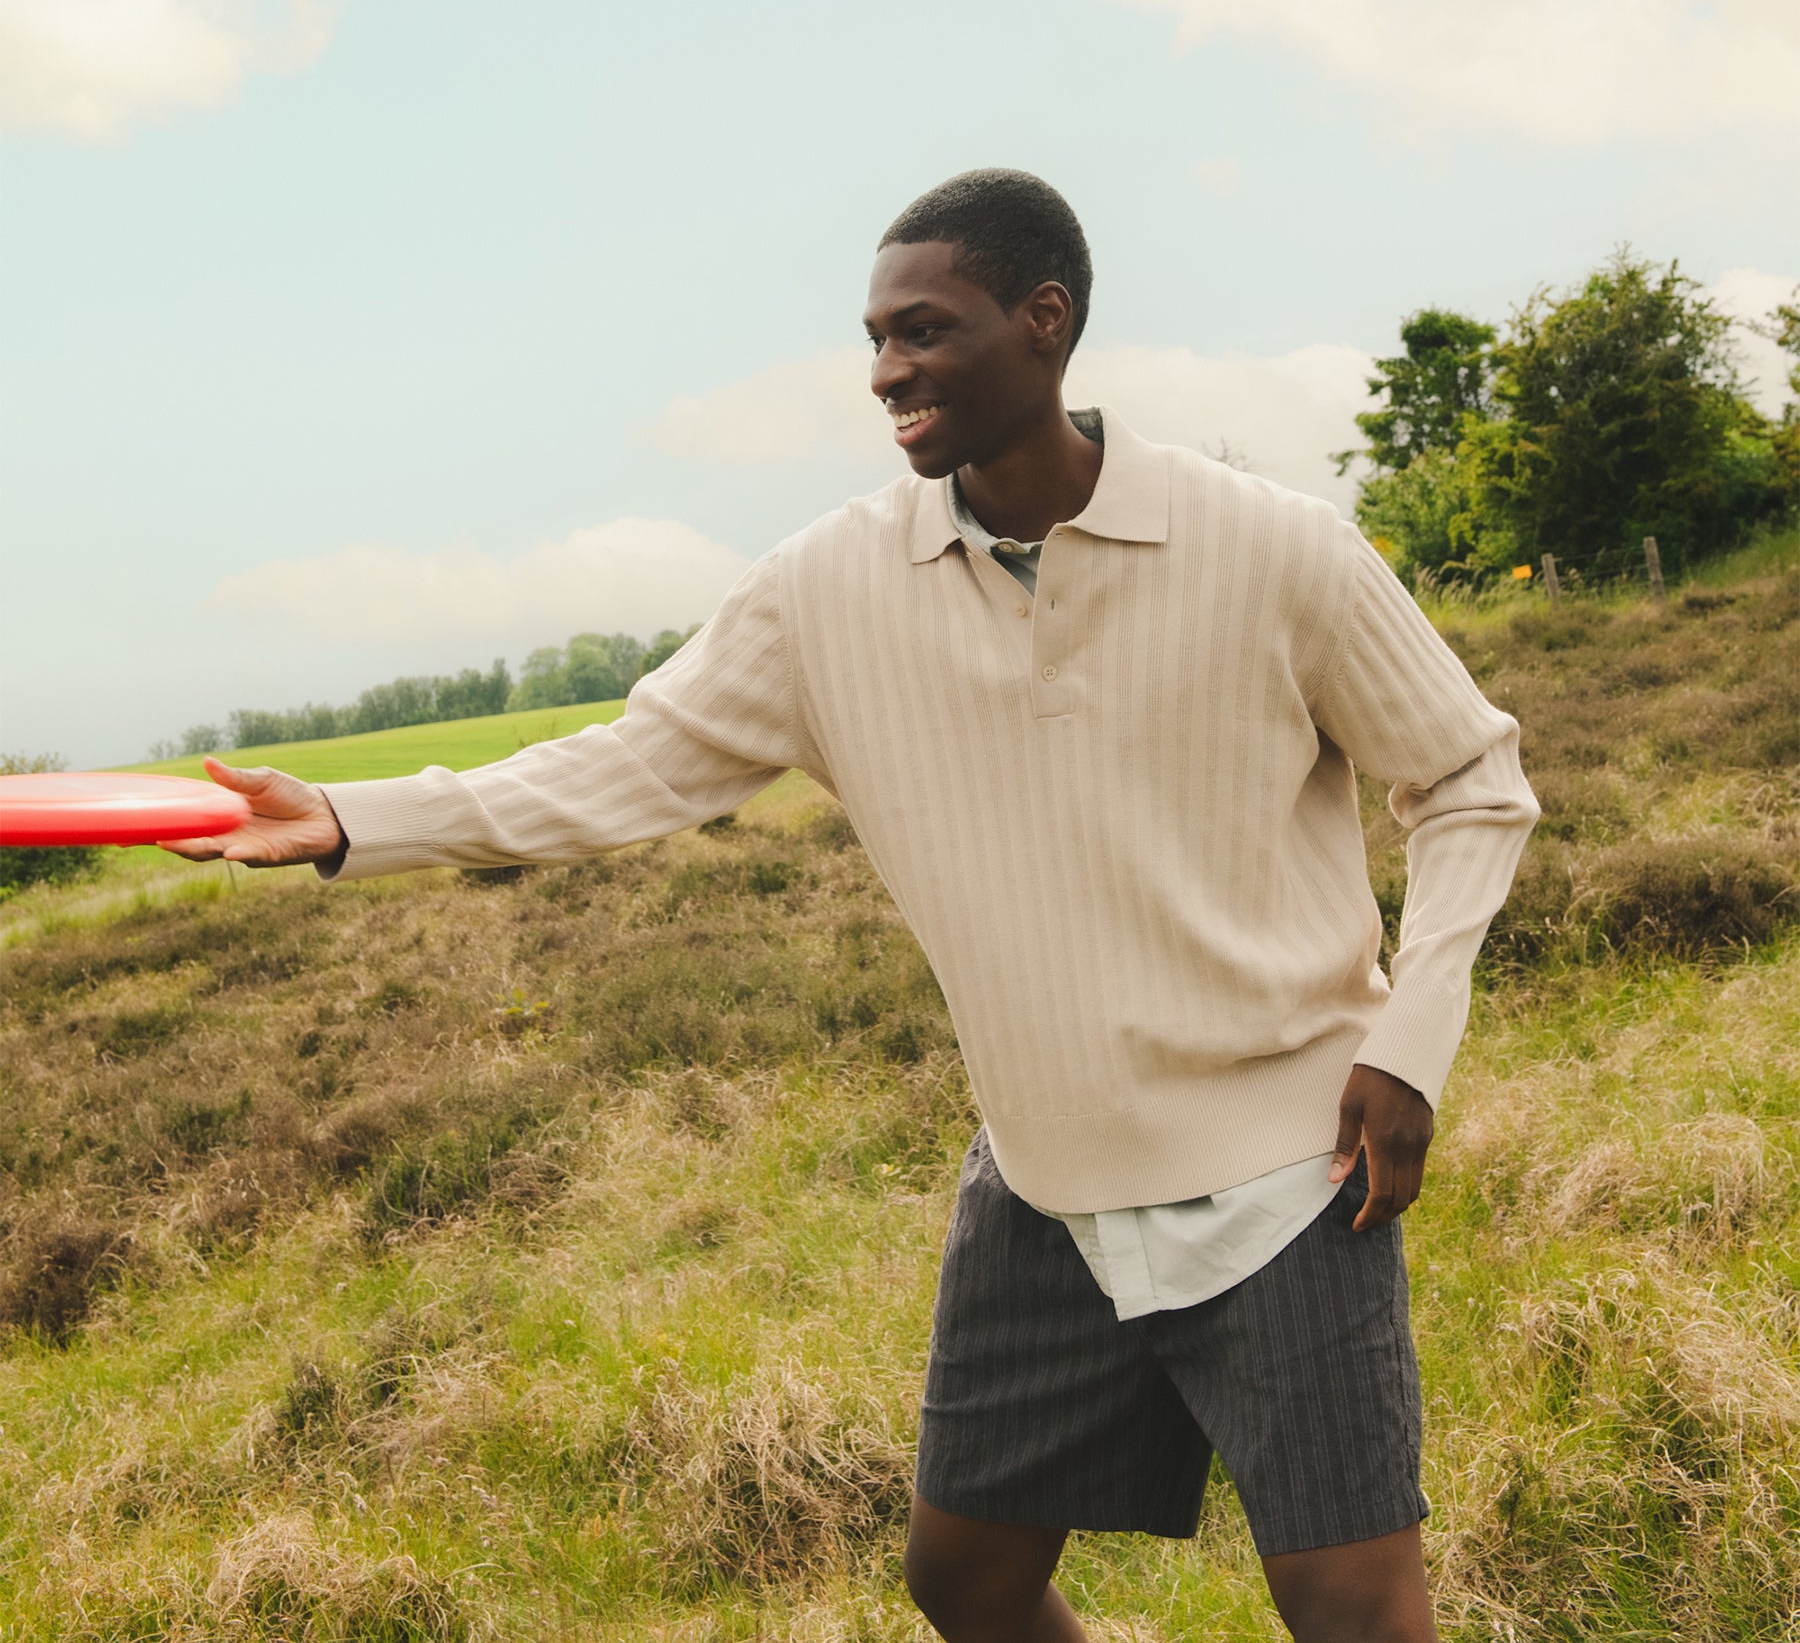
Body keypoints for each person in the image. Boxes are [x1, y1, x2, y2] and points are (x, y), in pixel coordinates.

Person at [170, 169, 1538, 1642]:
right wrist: (350, 822)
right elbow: (632, 768)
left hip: (1292, 1173)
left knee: (1356, 1615)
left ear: (1045, 321)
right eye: (874, 338)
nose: (887, 371)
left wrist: (1412, 1043)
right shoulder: (824, 589)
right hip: (1045, 1180)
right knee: (964, 1582)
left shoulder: (1277, 550)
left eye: (925, 332)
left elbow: (1469, 780)